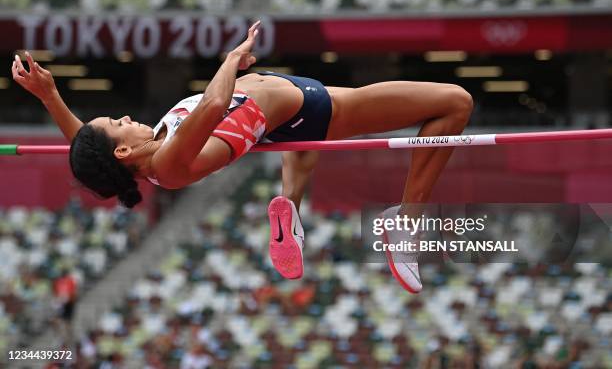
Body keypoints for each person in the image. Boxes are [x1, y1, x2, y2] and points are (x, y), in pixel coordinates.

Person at [12, 21, 473, 293]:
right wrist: (231, 60)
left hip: (276, 112)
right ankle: (406, 222)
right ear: (125, 149)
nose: (126, 116)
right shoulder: (168, 163)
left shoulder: (140, 153)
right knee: (455, 102)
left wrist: (50, 96)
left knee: (303, 145)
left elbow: (89, 149)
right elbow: (214, 106)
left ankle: (289, 207)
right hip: (303, 108)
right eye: (118, 122)